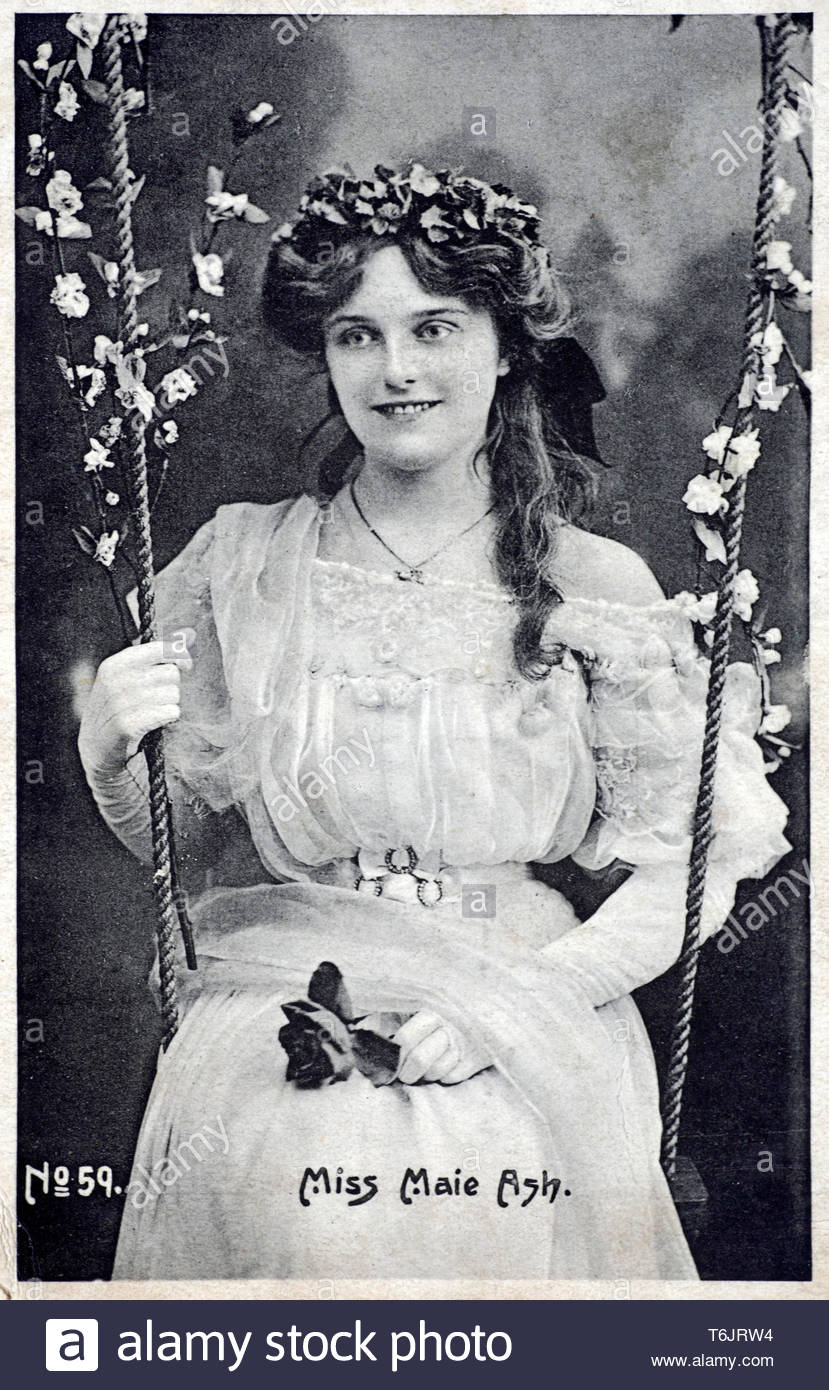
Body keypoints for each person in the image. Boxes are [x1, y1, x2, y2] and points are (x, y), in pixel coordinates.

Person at [78, 163, 792, 1281]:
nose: (396, 369)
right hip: (287, 1000)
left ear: (506, 346)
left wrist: (516, 1008)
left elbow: (687, 866)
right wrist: (109, 754)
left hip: (524, 1017)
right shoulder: (246, 564)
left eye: (435, 328)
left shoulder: (594, 581)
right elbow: (190, 846)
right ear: (325, 352)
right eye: (357, 335)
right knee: (309, 1243)